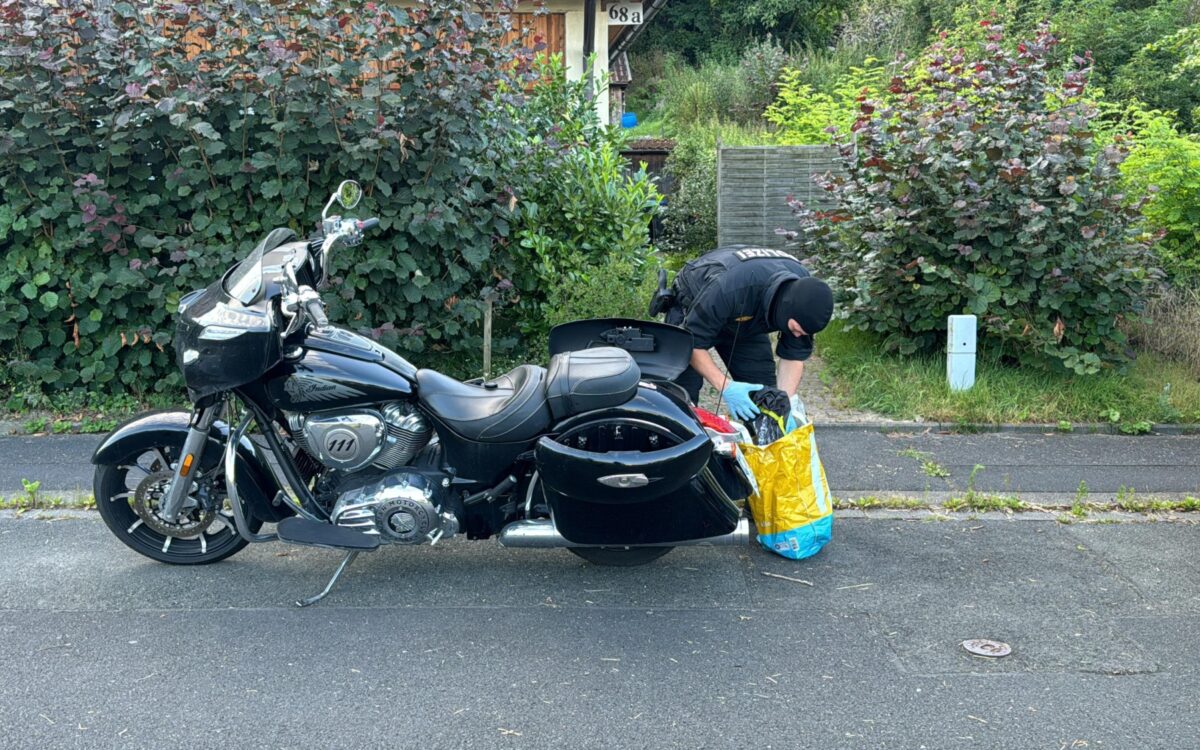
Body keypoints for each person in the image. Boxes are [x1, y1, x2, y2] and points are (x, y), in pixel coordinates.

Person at [657, 245, 833, 422]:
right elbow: (692, 344)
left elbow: (793, 357)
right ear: (786, 309)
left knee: (766, 399)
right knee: (681, 400)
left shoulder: (805, 296)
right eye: (795, 329)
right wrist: (726, 387)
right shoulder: (728, 286)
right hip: (696, 304)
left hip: (746, 316)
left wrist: (785, 408)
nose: (797, 335)